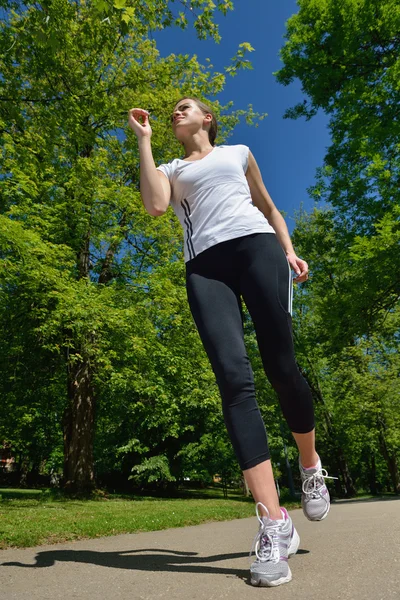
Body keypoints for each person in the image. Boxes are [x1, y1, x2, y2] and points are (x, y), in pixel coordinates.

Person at [128, 97, 336, 587]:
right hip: (205, 268)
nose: (176, 112)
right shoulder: (169, 168)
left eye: (185, 107)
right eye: (173, 110)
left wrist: (289, 250)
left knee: (281, 368)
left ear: (208, 119)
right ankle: (273, 522)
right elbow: (157, 206)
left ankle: (310, 465)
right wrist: (144, 141)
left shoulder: (238, 152)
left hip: (257, 247)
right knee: (232, 379)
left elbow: (267, 206)